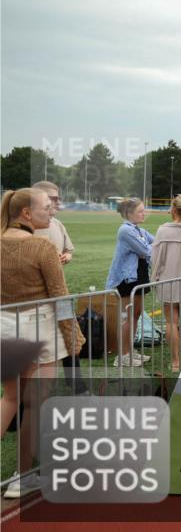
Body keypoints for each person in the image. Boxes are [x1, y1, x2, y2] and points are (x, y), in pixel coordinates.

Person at [1, 188, 74, 497]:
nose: (52, 211)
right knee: (35, 404)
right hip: (40, 328)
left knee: (10, 399)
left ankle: (24, 476)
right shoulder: (42, 246)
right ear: (27, 213)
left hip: (5, 325)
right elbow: (60, 295)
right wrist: (73, 335)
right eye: (46, 206)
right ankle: (24, 476)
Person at [31, 181, 85, 392]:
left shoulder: (57, 224)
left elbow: (69, 250)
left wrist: (66, 256)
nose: (57, 202)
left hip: (60, 293)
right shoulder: (27, 227)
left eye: (57, 198)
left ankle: (77, 384)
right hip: (34, 298)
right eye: (52, 198)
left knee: (70, 336)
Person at [152, 195, 181, 372]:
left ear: (173, 209)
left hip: (168, 282)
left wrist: (154, 279)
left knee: (171, 323)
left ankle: (175, 363)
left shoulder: (162, 231)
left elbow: (156, 259)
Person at [106, 198, 154, 367]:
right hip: (127, 279)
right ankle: (123, 356)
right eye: (140, 211)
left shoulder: (139, 230)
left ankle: (130, 351)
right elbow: (146, 250)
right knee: (128, 317)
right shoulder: (125, 230)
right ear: (129, 213)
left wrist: (148, 249)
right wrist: (146, 250)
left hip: (140, 275)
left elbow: (156, 243)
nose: (144, 214)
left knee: (136, 315)